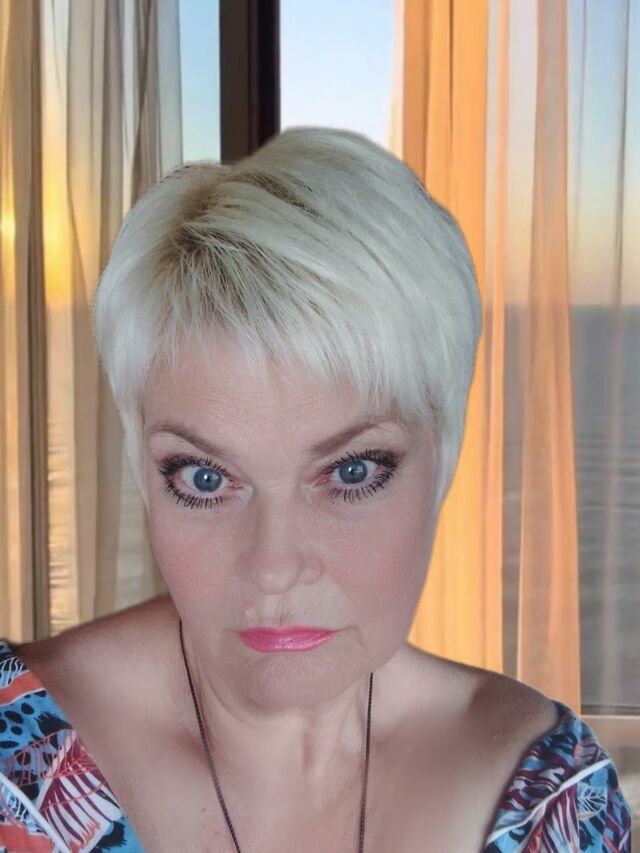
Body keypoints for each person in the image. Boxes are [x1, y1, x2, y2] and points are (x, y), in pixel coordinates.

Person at [0, 127, 631, 852]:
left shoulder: (550, 801)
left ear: (444, 457)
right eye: (205, 478)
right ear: (146, 474)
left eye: (352, 472)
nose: (274, 567)